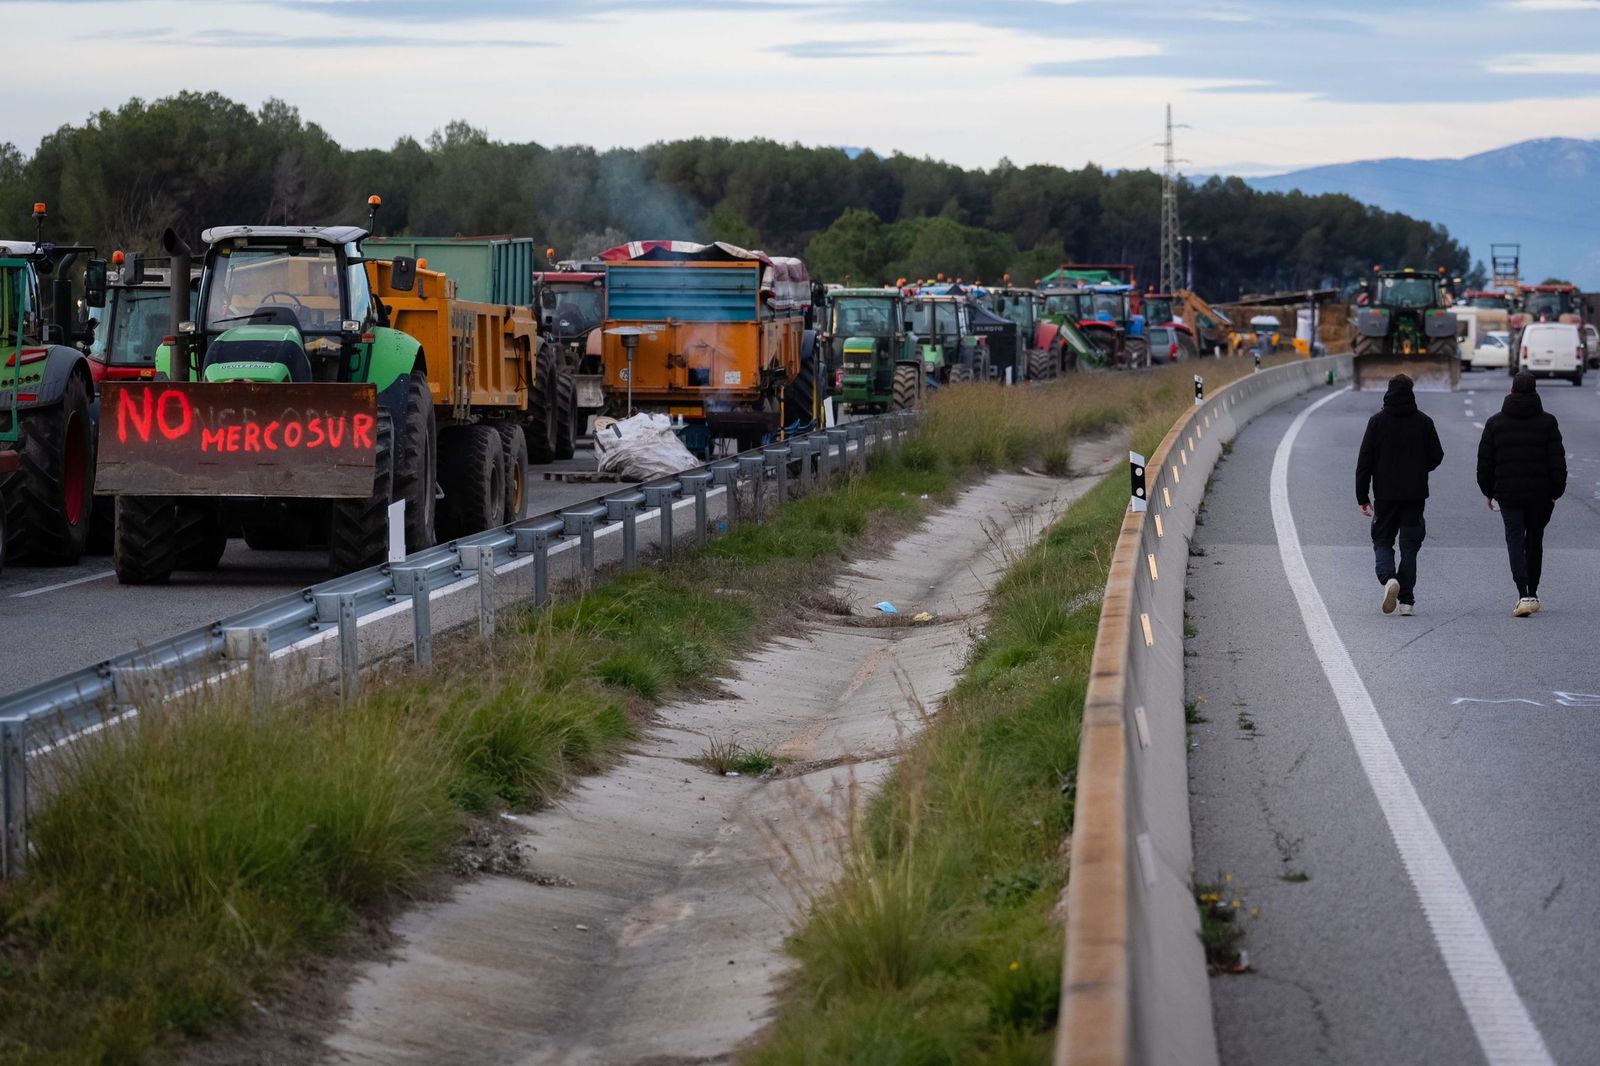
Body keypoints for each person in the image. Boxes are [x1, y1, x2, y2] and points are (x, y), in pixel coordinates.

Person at [1476, 371, 1566, 616]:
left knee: (1515, 539)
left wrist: (1489, 491)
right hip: (1541, 495)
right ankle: (1534, 592)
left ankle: (1522, 593)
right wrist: (1555, 493)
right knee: (1534, 541)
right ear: (1535, 391)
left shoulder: (1495, 423)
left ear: (1511, 390)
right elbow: (1557, 462)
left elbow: (1485, 462)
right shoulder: (1548, 422)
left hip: (1508, 494)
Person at [1355, 373, 1444, 616]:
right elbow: (1437, 456)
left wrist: (1362, 496)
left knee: (1382, 540)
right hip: (1415, 495)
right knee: (1410, 546)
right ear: (1411, 393)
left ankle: (1389, 579)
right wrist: (1418, 467)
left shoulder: (1377, 422)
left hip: (1384, 495)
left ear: (1388, 393)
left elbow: (1365, 462)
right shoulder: (1424, 422)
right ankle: (1407, 602)